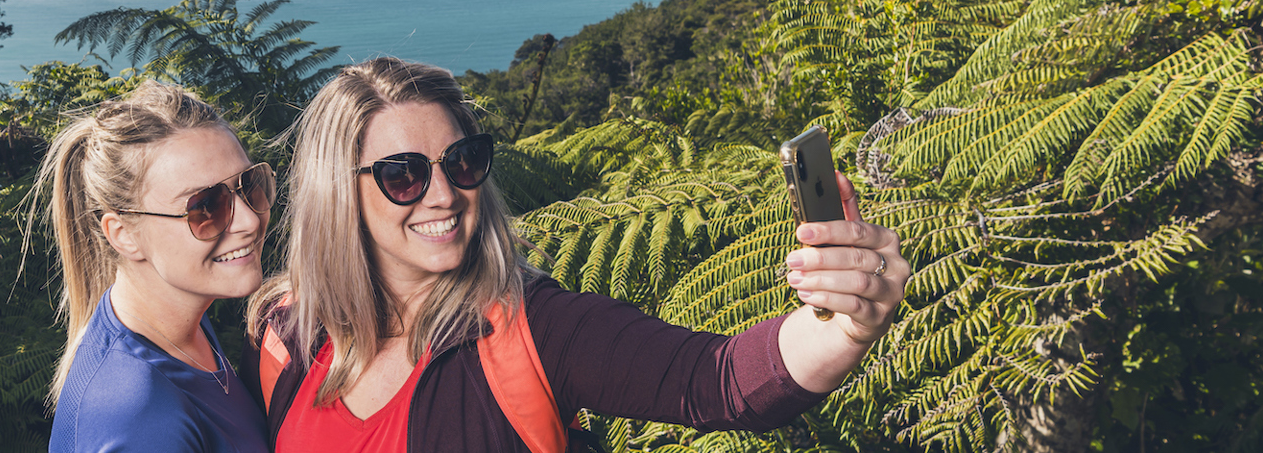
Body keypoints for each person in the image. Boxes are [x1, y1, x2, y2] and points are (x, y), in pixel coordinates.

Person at [245, 58, 907, 452]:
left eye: (462, 161)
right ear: (341, 196)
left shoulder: (530, 328)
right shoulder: (289, 332)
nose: (443, 195)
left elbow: (718, 381)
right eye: (403, 175)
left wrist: (846, 323)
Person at [39, 81, 275, 453]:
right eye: (204, 206)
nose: (248, 220)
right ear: (123, 235)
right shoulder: (141, 417)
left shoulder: (178, 327)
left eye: (249, 185)